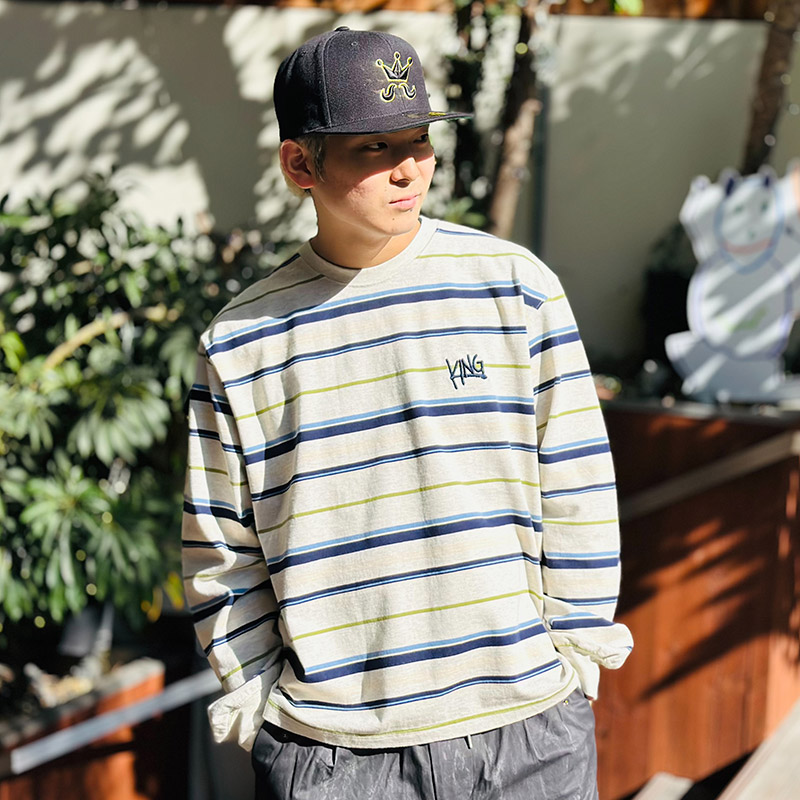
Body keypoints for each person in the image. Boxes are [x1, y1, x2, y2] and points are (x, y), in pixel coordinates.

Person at [182, 26, 633, 800]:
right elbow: (222, 548)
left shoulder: (515, 288)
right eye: (374, 147)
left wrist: (576, 653)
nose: (410, 167)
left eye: (419, 139)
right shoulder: (241, 341)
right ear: (300, 164)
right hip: (335, 758)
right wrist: (258, 699)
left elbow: (577, 486)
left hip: (529, 732)